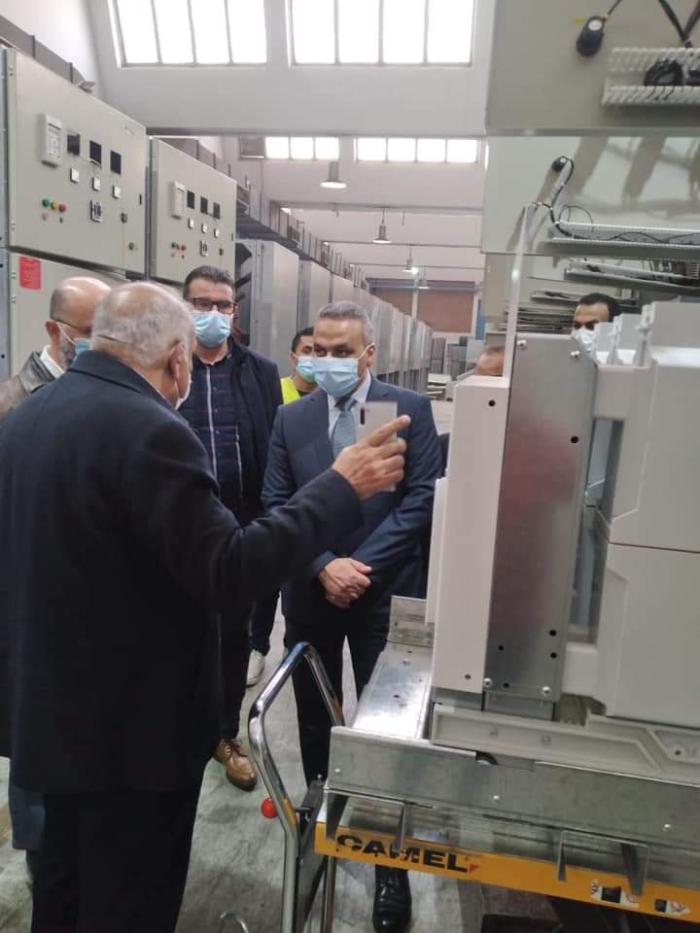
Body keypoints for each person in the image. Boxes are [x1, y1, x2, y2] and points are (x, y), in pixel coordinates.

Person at [0, 281, 409, 933]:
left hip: (48, 721)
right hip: (129, 740)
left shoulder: (28, 416)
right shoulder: (150, 430)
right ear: (176, 357)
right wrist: (340, 486)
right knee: (127, 901)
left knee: (62, 889)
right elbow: (229, 569)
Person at [263, 301, 442, 933]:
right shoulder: (291, 416)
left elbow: (419, 502)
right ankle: (321, 821)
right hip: (313, 590)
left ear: (369, 354)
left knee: (386, 727)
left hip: (381, 591)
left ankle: (390, 861)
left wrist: (357, 567)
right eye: (319, 350)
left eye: (343, 352)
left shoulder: (407, 410)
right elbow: (276, 500)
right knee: (316, 715)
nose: (329, 361)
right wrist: (322, 566)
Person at [0, 275, 110, 880]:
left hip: (78, 619)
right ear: (54, 330)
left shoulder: (97, 400)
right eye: (91, 333)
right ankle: (47, 867)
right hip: (31, 613)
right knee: (36, 758)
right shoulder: (15, 406)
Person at [179, 265, 283, 792]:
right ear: (184, 306)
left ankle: (224, 734)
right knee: (174, 631)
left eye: (223, 305)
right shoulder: (164, 363)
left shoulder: (259, 372)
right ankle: (174, 729)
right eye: (202, 303)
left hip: (239, 527)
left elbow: (275, 447)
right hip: (175, 526)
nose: (213, 314)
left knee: (232, 637)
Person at [247, 326, 318, 688]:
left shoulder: (336, 398)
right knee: (267, 584)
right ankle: (256, 647)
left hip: (315, 504)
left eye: (321, 351)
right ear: (293, 355)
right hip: (279, 499)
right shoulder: (275, 391)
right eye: (307, 350)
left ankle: (294, 650)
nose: (314, 359)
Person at [0, 276, 109, 418]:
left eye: (111, 333)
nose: (105, 343)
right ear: (54, 330)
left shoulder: (109, 395)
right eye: (91, 331)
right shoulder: (8, 405)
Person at [280, 326, 316, 403]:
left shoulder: (330, 394)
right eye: (307, 351)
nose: (313, 356)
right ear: (293, 357)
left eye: (318, 351)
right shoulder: (277, 389)